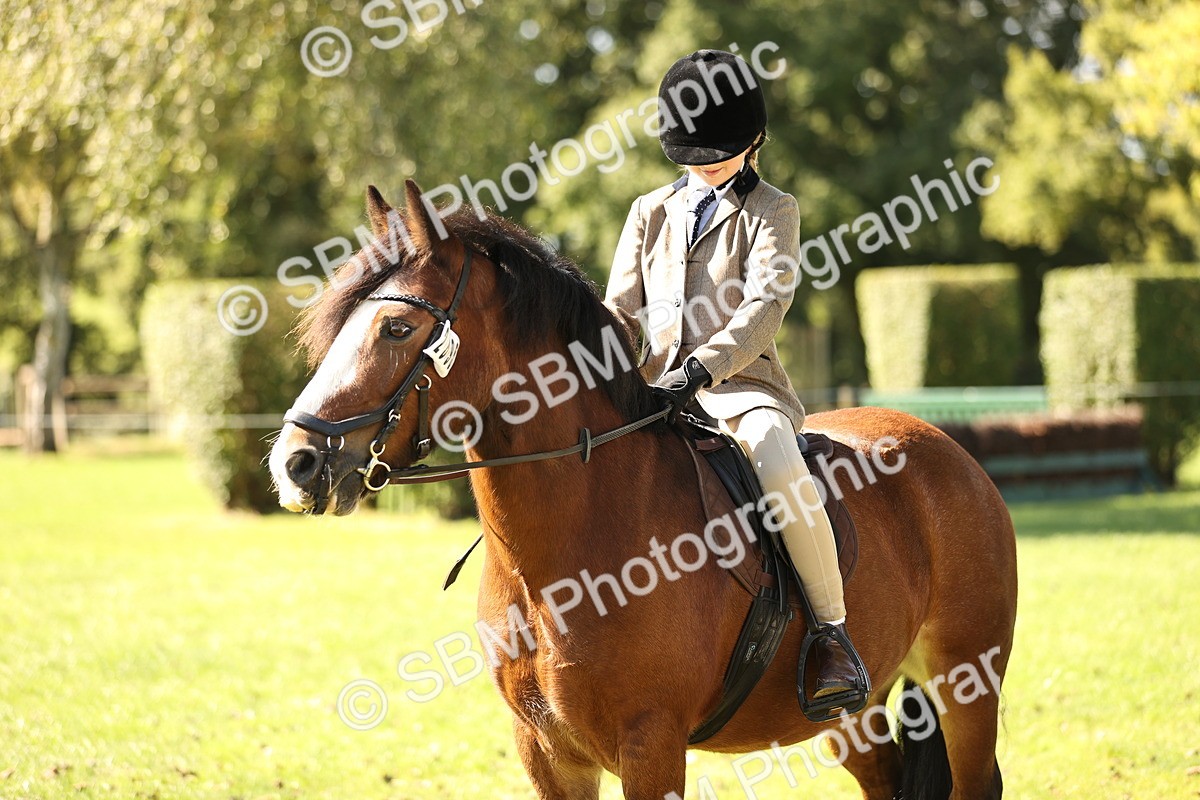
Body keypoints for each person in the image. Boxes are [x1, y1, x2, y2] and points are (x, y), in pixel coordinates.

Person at [604, 49, 861, 699]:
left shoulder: (774, 211)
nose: (705, 164)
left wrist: (700, 369)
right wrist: (602, 350)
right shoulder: (647, 213)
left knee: (778, 458)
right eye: (691, 154)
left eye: (718, 151)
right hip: (652, 390)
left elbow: (763, 310)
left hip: (740, 388)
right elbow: (620, 308)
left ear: (755, 141)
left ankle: (832, 635)